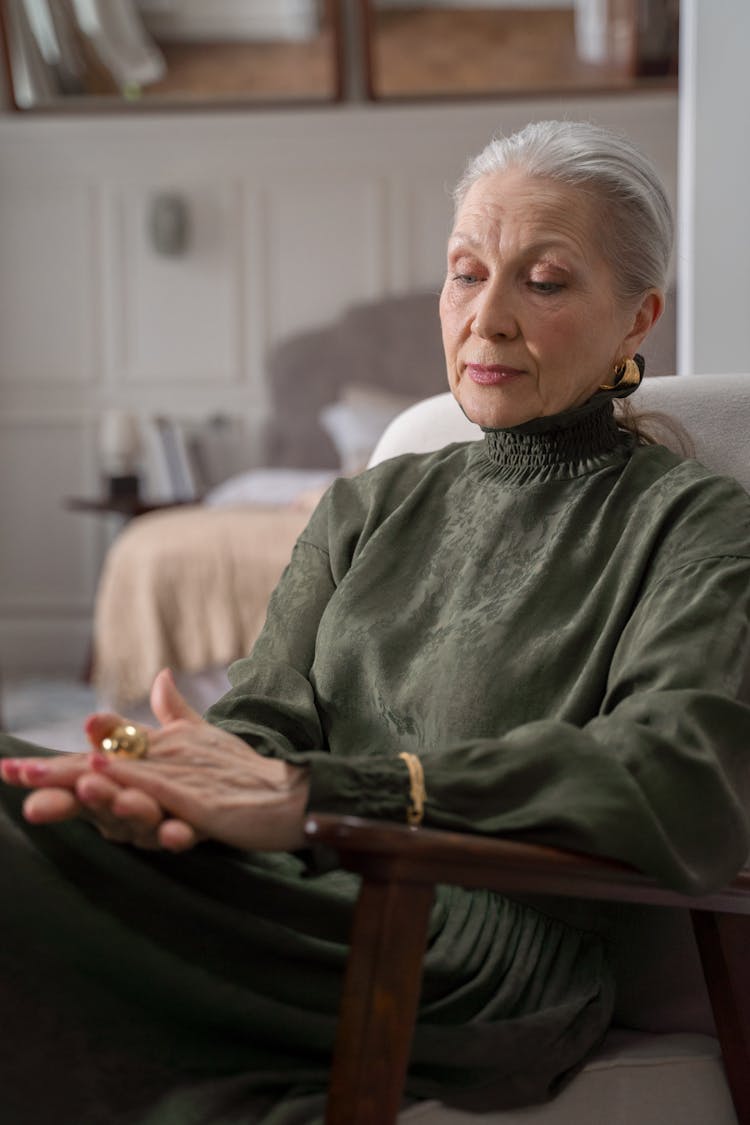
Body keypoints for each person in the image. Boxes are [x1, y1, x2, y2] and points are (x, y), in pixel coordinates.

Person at [2, 119, 750, 1125]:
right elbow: (265, 724)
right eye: (465, 272)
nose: (485, 319)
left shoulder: (695, 522)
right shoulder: (371, 504)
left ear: (636, 318)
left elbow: (679, 776)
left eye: (545, 280)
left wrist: (332, 790)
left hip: (471, 957)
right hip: (294, 891)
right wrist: (167, 783)